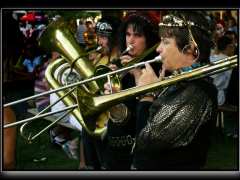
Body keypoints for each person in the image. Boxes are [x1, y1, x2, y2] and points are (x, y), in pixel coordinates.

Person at [130, 11, 218, 170]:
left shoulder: (198, 91)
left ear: (190, 49)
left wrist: (147, 96)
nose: (158, 49)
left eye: (165, 42)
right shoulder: (181, 82)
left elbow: (147, 141)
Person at [103, 11, 160, 170]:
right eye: (128, 34)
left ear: (149, 39)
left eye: (138, 35)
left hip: (135, 152)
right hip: (114, 145)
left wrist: (136, 72)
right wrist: (112, 89)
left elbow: (151, 114)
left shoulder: (157, 69)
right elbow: (117, 113)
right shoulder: (119, 64)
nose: (131, 40)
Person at [81, 15, 122, 170]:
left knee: (107, 165)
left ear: (115, 38)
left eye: (104, 37)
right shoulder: (98, 57)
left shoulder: (120, 59)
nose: (99, 42)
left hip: (108, 123)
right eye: (99, 37)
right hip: (93, 119)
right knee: (93, 165)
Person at [210, 35, 235, 106]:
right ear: (229, 47)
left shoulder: (211, 58)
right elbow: (230, 84)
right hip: (218, 98)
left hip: (207, 95)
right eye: (233, 46)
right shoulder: (230, 62)